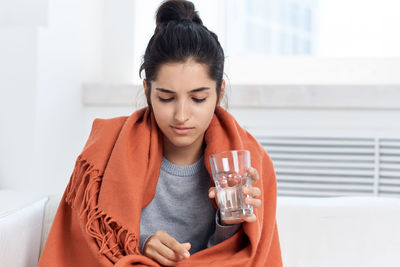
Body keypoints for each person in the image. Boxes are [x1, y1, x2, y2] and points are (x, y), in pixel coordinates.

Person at [38, 0, 282, 266]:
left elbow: (240, 258)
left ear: (219, 93)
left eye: (198, 99)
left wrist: (229, 221)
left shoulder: (249, 161)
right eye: (166, 98)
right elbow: (87, 242)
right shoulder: (105, 150)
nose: (181, 115)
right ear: (147, 91)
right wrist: (141, 243)